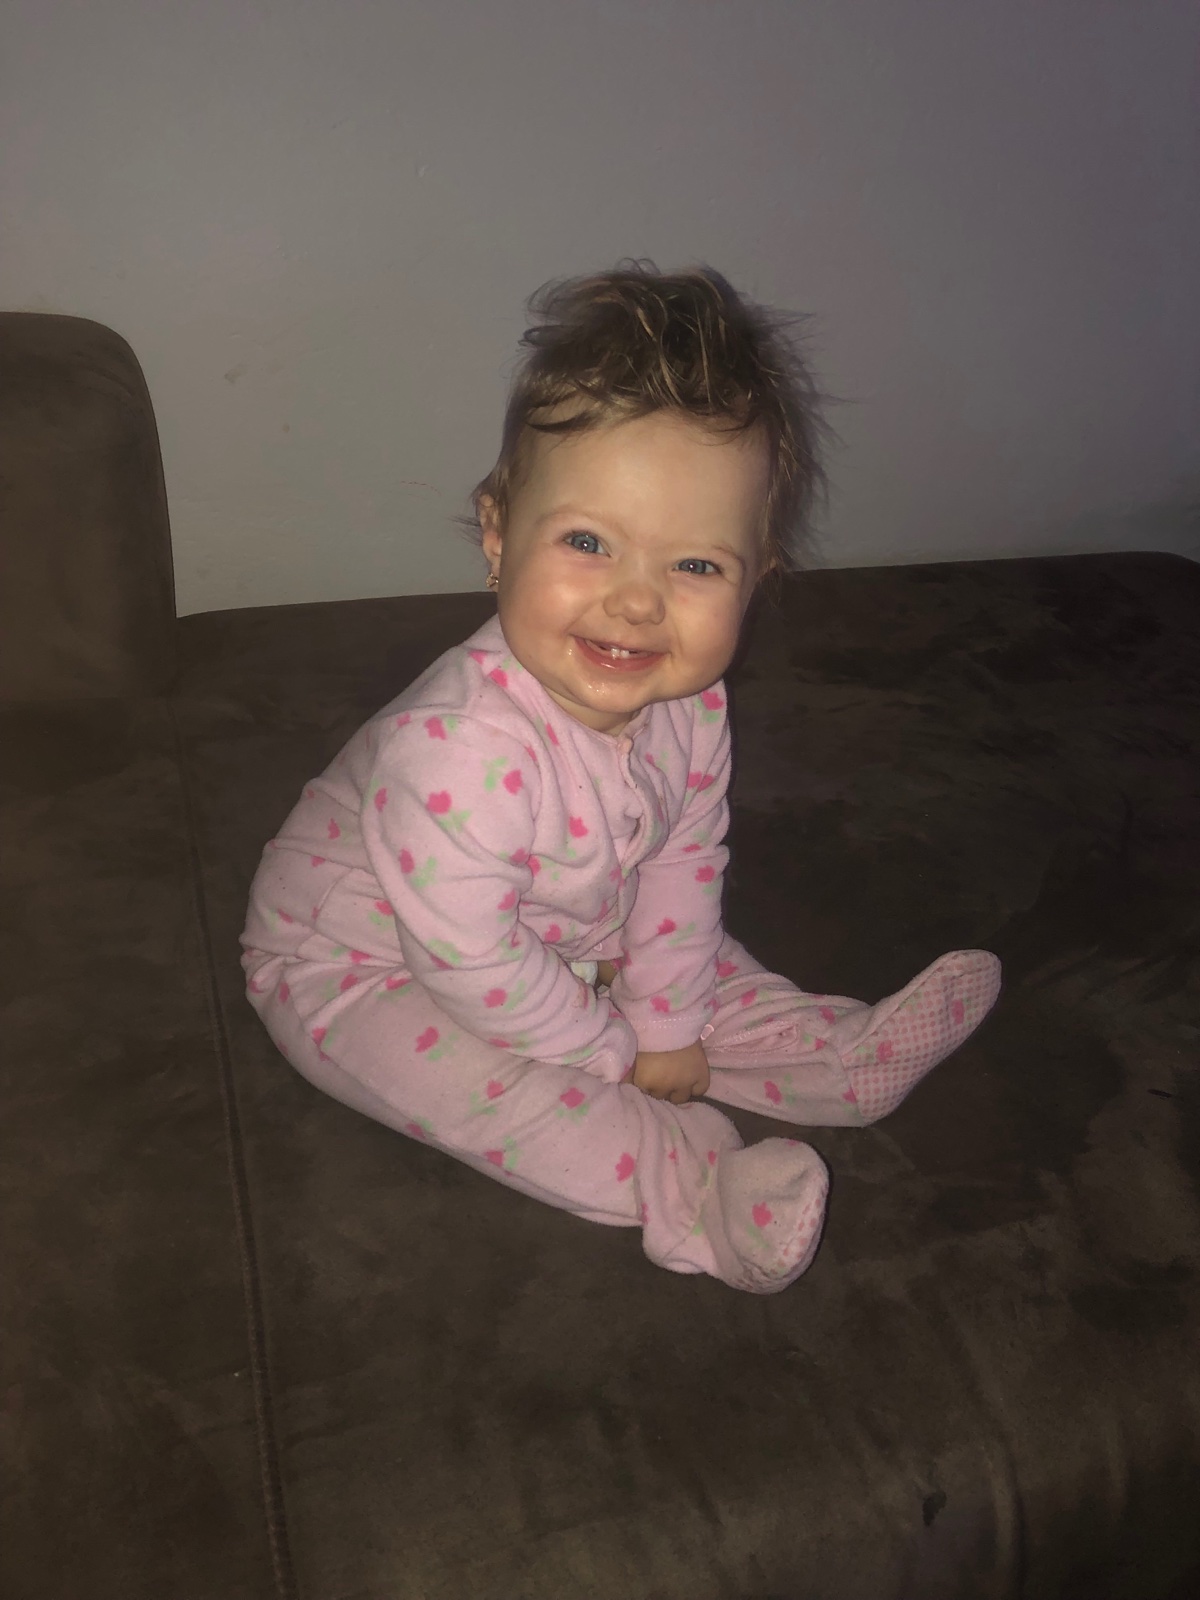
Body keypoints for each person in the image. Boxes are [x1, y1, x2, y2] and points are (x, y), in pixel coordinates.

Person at [241, 261, 1000, 1294]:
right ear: (498, 534)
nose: (638, 603)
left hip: (566, 921)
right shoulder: (456, 752)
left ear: (756, 578)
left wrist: (670, 1019)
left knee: (698, 960)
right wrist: (615, 1051)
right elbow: (471, 958)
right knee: (502, 1098)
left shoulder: (692, 704)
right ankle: (705, 1194)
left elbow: (685, 857)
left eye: (696, 566)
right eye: (590, 542)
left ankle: (837, 1057)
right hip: (365, 960)